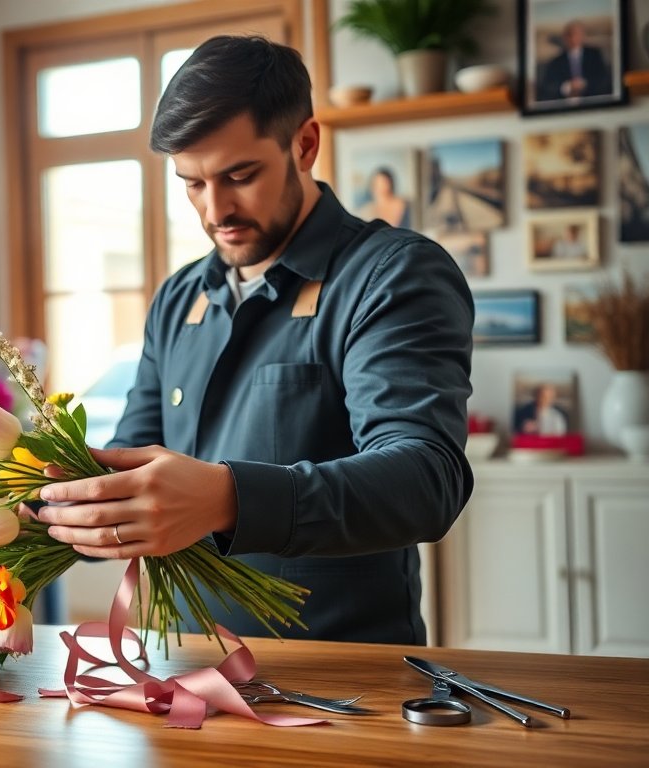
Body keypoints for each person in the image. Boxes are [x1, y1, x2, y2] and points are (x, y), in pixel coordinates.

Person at [35, 36, 474, 645]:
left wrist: (228, 499)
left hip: (344, 687)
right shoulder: (176, 297)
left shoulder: (392, 274)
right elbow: (127, 470)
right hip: (177, 675)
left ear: (305, 144)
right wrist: (29, 503)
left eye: (239, 175)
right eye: (191, 183)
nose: (216, 211)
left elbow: (427, 481)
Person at [536, 20, 613, 102]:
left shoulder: (595, 55)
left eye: (577, 34)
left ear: (583, 36)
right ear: (565, 37)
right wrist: (567, 86)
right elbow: (548, 86)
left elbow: (603, 80)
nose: (573, 38)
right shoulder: (556, 62)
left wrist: (584, 84)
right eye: (570, 35)